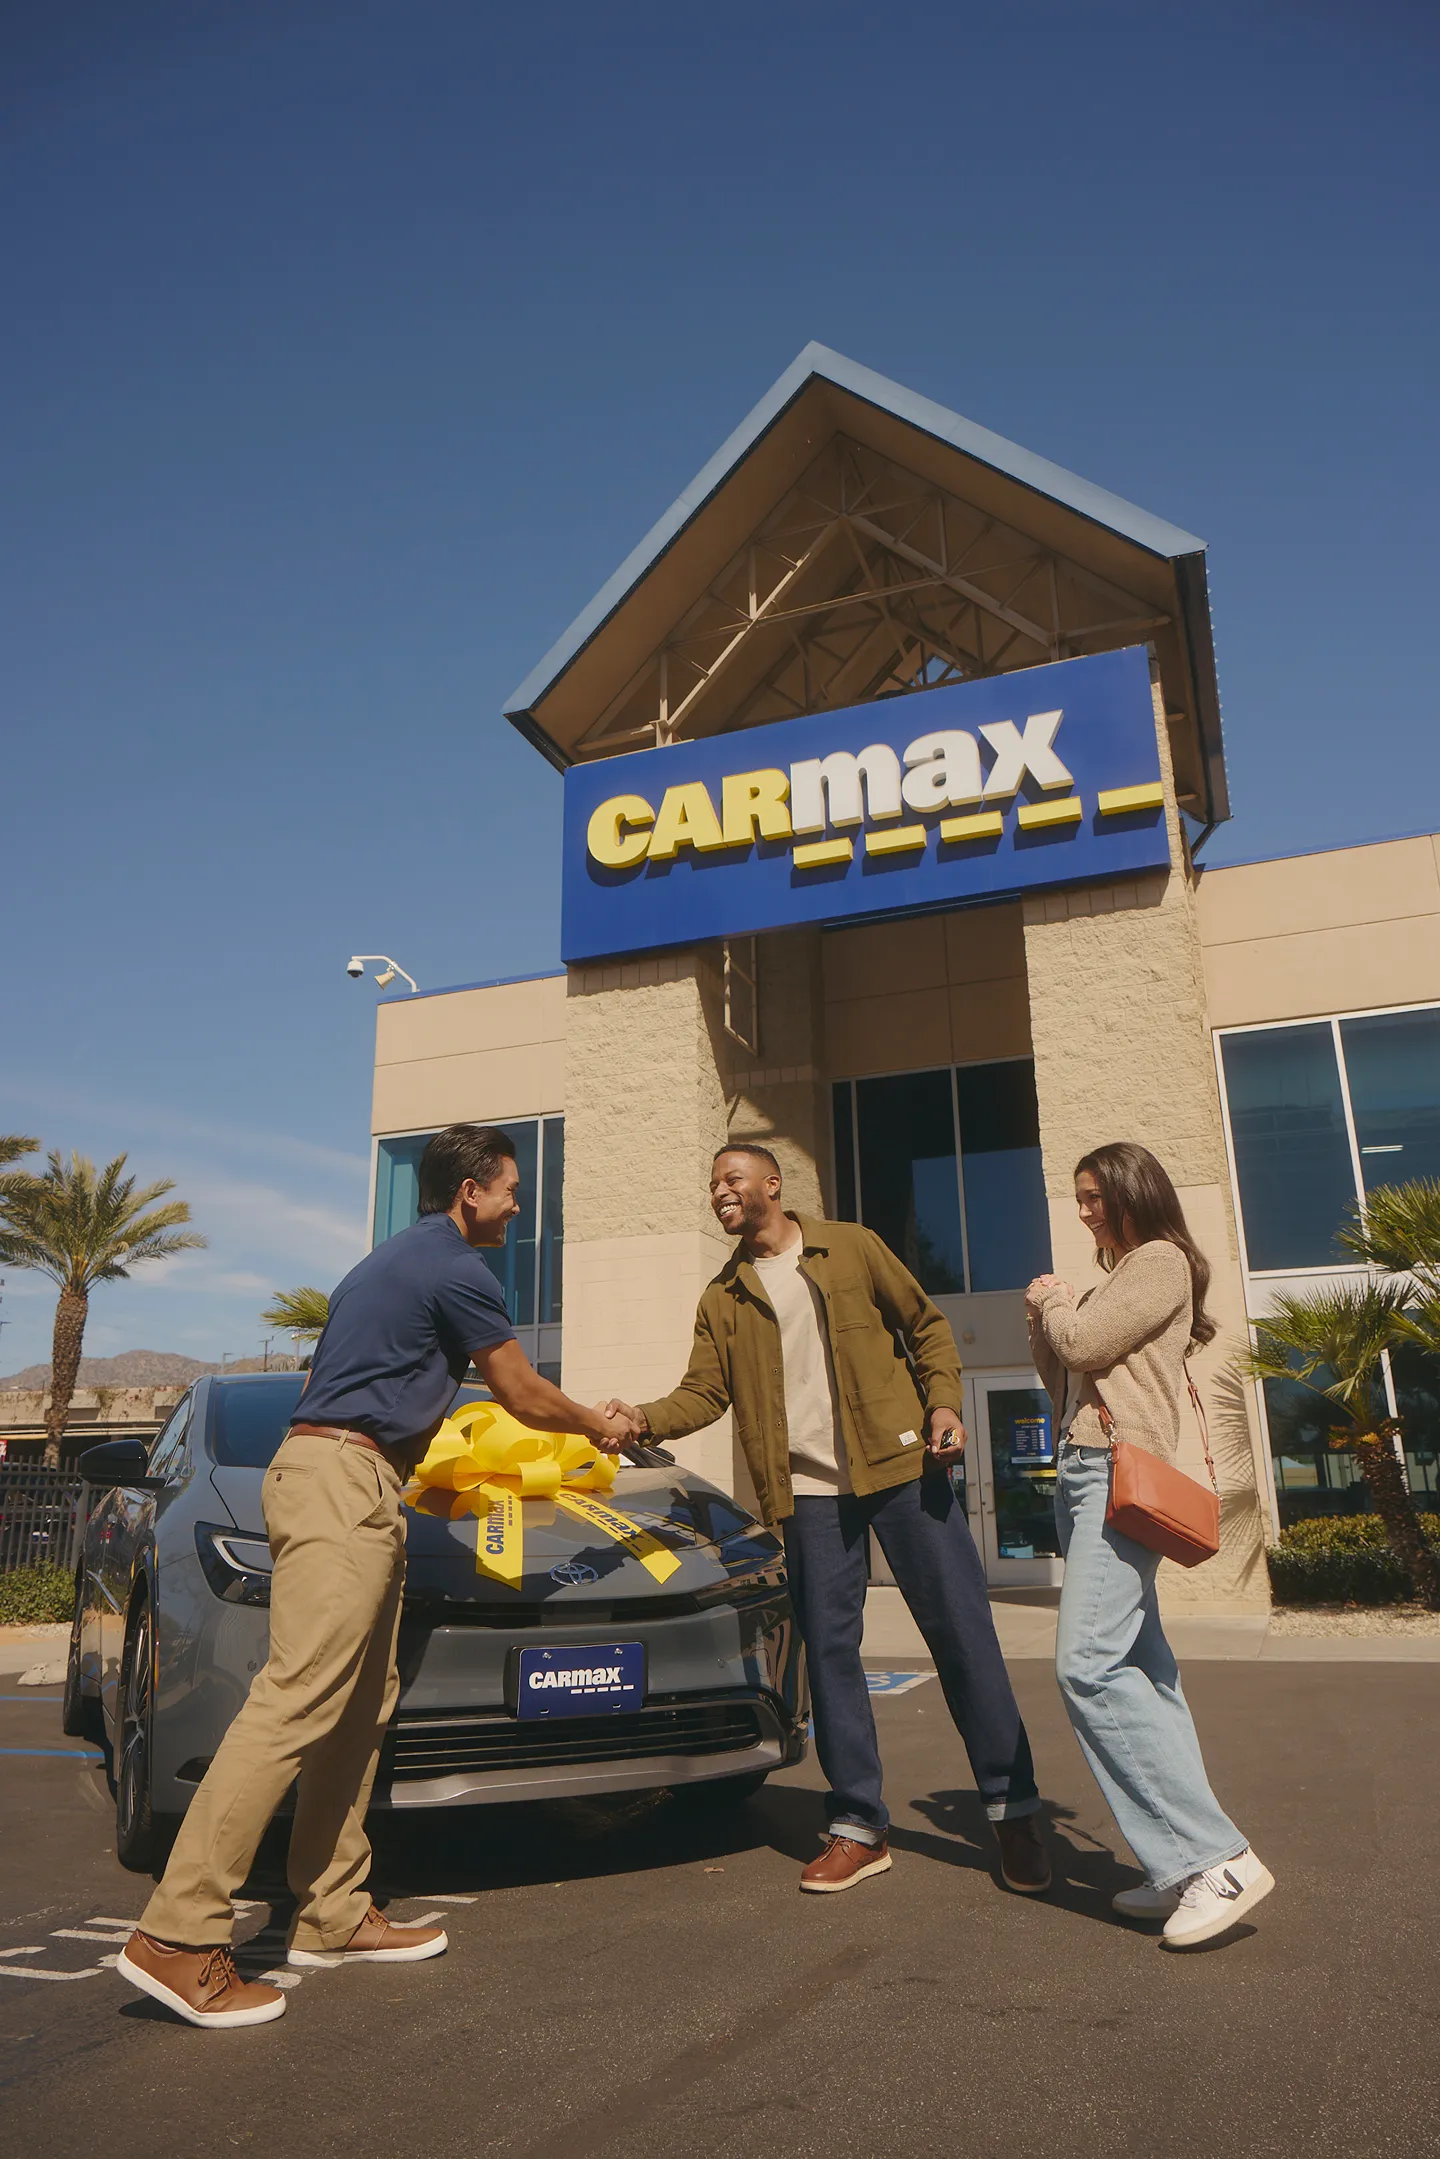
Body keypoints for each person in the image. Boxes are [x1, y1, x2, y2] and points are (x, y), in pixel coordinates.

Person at [119, 1124, 633, 2028]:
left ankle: (333, 1909)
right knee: (301, 1692)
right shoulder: (457, 1268)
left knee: (362, 1698)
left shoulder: (384, 1264)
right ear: (470, 1191)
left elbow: (386, 1384)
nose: (518, 1205)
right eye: (510, 1189)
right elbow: (516, 1390)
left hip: (351, 1479)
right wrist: (598, 1422)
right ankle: (179, 1931)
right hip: (341, 1481)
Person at [604, 1144, 1048, 1895]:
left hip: (903, 1468)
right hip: (808, 1494)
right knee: (832, 1658)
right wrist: (641, 1418)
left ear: (772, 1185)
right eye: (711, 1183)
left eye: (731, 1179)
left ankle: (1013, 1811)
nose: (719, 1191)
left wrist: (943, 1400)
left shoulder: (850, 1246)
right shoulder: (724, 1296)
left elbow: (928, 1327)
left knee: (962, 1635)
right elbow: (703, 1394)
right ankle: (858, 1825)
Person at [1026, 1140, 1275, 1949]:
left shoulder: (1160, 1260)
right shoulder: (1120, 1274)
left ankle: (1216, 1858)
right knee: (1144, 1670)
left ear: (1134, 1190)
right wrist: (1047, 1318)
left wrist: (1059, 1304)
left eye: (1096, 1195)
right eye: (1079, 1197)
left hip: (1112, 1475)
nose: (1085, 1208)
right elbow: (1064, 1372)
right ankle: (1179, 1865)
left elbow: (1086, 1345)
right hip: (1083, 1471)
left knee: (1087, 1664)